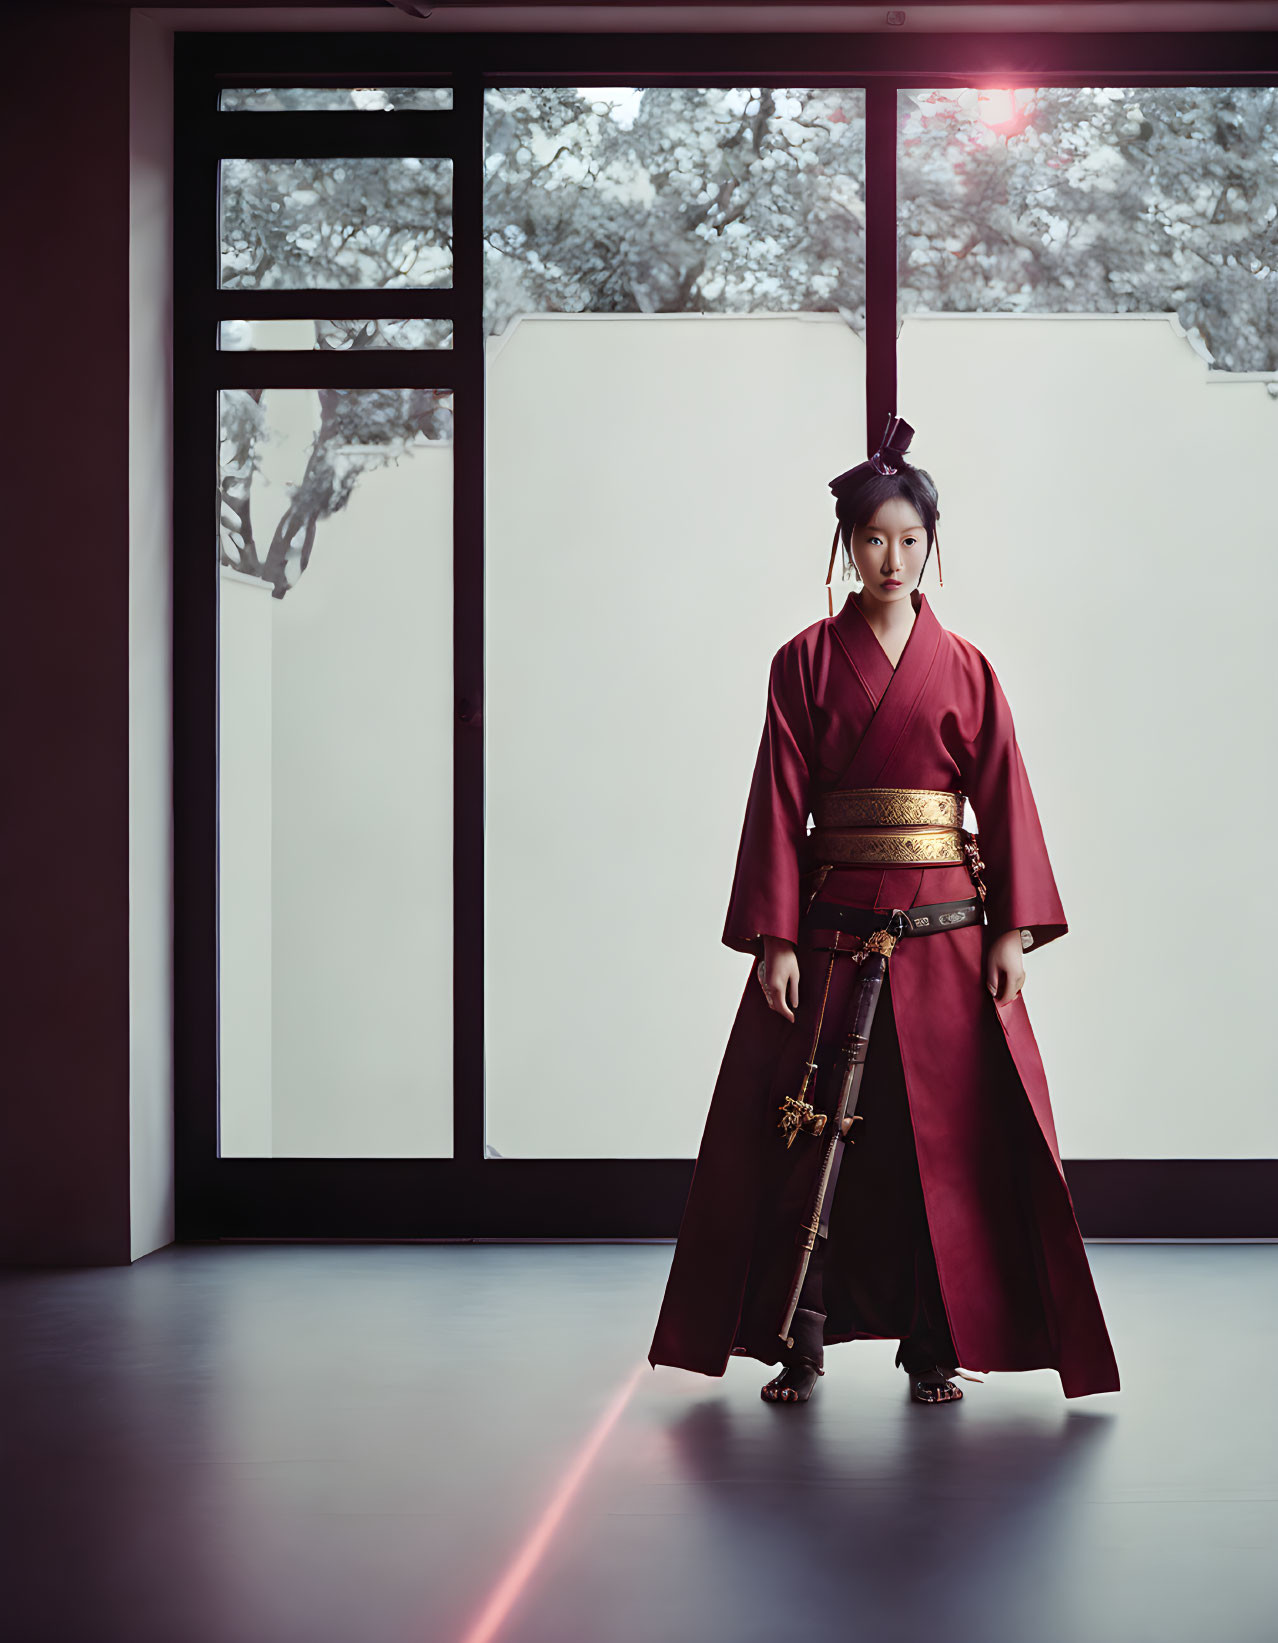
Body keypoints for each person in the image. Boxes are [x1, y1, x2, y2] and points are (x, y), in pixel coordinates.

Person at [648, 416, 1120, 1407]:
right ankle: (795, 1338)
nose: (893, 558)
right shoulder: (803, 663)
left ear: (931, 545)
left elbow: (1005, 793)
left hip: (947, 935)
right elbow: (779, 800)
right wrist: (775, 937)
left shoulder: (971, 668)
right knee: (808, 1134)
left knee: (937, 1144)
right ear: (845, 544)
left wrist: (1012, 930)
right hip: (828, 927)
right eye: (874, 538)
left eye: (911, 540)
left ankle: (934, 1347)